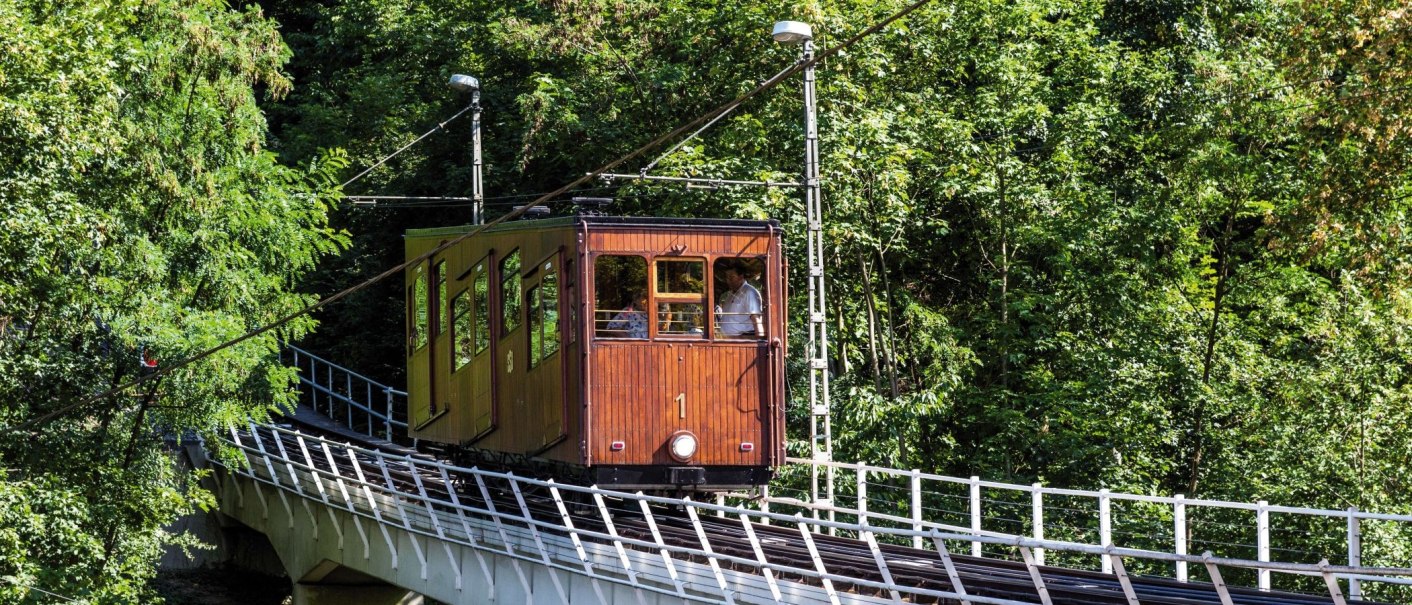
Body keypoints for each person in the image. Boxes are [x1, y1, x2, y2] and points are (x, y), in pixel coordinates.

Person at [716, 264, 762, 337]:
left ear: (741, 277)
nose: (728, 280)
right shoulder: (731, 294)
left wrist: (759, 341)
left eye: (731, 277)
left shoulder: (749, 292)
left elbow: (756, 319)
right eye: (727, 277)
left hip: (742, 339)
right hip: (727, 339)